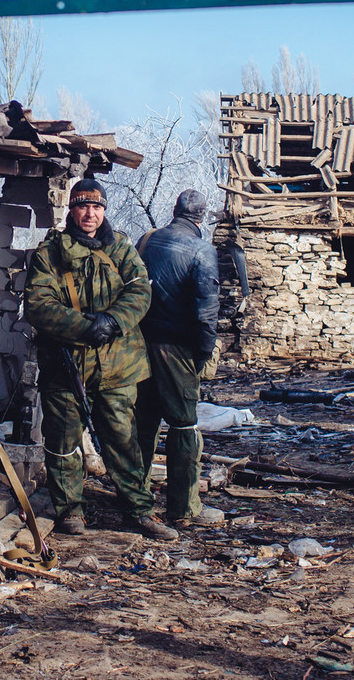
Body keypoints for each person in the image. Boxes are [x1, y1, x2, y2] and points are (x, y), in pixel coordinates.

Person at [23, 178, 179, 542]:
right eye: (82, 206)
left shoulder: (121, 247)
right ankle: (69, 511)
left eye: (96, 207)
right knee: (62, 441)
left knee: (123, 441)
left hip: (118, 366)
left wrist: (113, 321)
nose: (89, 213)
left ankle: (138, 511)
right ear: (71, 210)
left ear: (104, 210)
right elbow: (38, 305)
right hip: (66, 366)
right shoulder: (50, 253)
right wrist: (82, 328)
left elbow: (140, 289)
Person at [134, 189, 225, 530]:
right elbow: (206, 313)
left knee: (142, 424)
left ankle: (137, 501)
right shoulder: (202, 250)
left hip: (138, 345)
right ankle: (183, 507)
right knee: (184, 426)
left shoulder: (146, 240)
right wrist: (201, 354)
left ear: (174, 210)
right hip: (175, 348)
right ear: (201, 217)